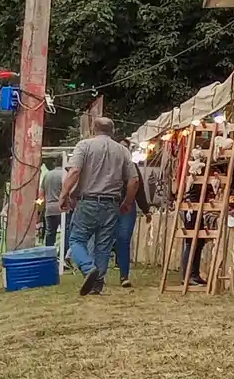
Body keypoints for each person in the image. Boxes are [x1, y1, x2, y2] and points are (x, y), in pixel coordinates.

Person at [60, 117, 137, 296]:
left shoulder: (84, 145)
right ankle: (97, 284)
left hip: (88, 201)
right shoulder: (123, 151)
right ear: (113, 130)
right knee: (103, 245)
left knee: (77, 240)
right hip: (112, 204)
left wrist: (64, 195)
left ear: (93, 129)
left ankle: (88, 269)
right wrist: (127, 202)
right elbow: (134, 180)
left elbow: (74, 171)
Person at [112, 156, 152, 288]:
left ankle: (124, 276)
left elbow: (139, 189)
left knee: (124, 239)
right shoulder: (109, 164)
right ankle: (99, 275)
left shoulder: (132, 167)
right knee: (104, 239)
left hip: (127, 206)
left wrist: (146, 209)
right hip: (109, 204)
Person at [41, 164, 67, 249]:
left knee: (50, 233)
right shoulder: (65, 174)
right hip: (61, 208)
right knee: (65, 232)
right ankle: (63, 254)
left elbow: (41, 195)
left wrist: (40, 209)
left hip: (49, 208)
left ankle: (48, 253)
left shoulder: (47, 175)